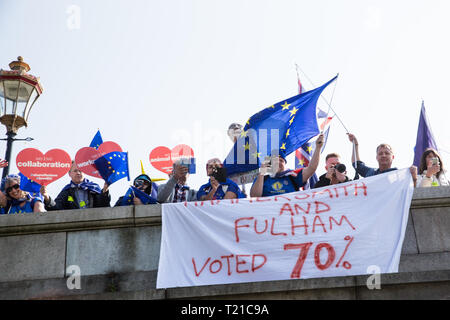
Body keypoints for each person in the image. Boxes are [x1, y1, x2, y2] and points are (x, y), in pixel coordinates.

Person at [250, 133, 324, 197]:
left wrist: (318, 147)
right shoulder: (263, 179)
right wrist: (262, 173)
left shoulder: (292, 176)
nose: (278, 162)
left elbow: (311, 169)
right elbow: (255, 196)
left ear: (285, 164)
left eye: (281, 161)